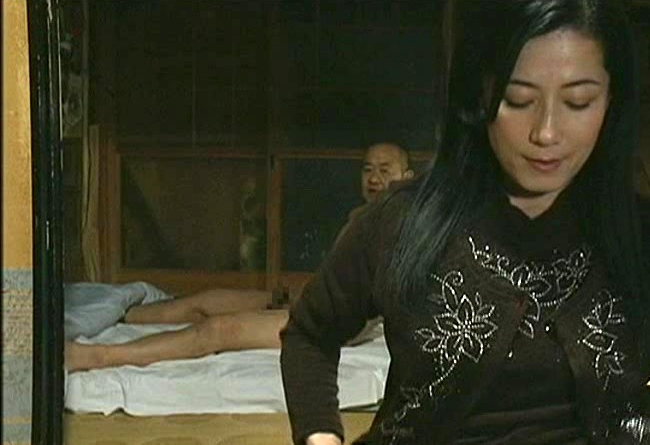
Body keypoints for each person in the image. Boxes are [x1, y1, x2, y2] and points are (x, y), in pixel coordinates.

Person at [279, 0, 650, 445]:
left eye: (578, 102)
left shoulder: (647, 240)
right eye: (517, 99)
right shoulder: (401, 221)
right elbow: (310, 335)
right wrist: (321, 436)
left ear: (611, 103)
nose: (546, 133)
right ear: (479, 96)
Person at [65, 142, 415, 372]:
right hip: (314, 301)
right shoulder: (360, 216)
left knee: (219, 329)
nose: (374, 178)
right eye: (367, 169)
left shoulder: (402, 222)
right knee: (206, 301)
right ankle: (120, 315)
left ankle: (99, 356)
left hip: (335, 324)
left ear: (407, 177)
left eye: (385, 170)